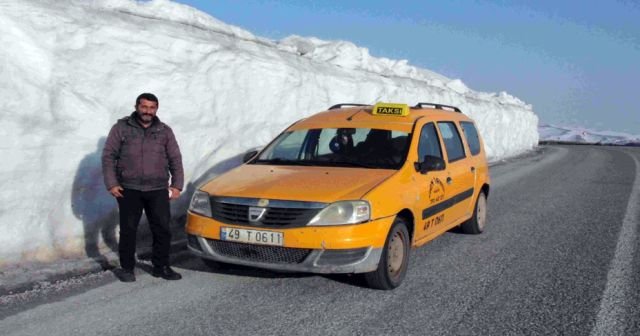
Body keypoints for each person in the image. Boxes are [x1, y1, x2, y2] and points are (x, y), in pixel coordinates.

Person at [102, 93, 184, 282]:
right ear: (137, 106)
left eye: (152, 107)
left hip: (157, 189)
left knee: (162, 229)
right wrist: (112, 183)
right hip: (129, 188)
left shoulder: (164, 131)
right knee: (128, 230)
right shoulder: (121, 128)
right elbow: (108, 156)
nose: (148, 111)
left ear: (156, 109)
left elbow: (175, 158)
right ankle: (127, 268)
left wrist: (177, 184)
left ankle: (161, 266)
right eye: (144, 107)